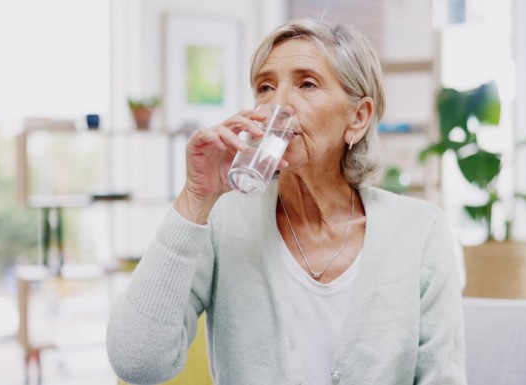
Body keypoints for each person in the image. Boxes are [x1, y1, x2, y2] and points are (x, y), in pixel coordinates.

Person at [107, 18, 466, 385]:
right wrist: (194, 198)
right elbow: (137, 362)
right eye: (265, 87)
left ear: (358, 118)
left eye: (307, 84)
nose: (277, 105)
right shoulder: (224, 221)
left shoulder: (421, 231)